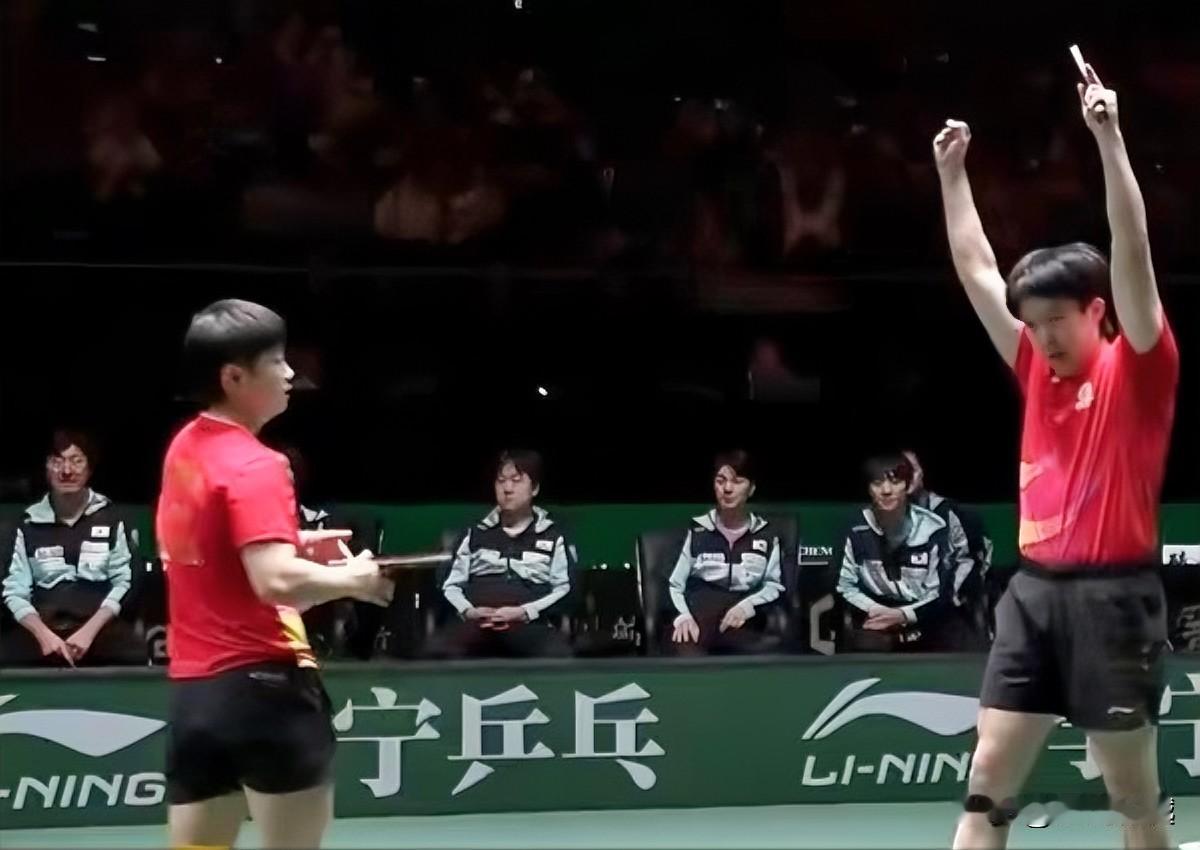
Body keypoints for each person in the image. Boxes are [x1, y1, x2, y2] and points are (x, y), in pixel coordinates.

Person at [934, 63, 1178, 848]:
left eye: (1054, 321)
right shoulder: (1033, 366)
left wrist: (1110, 139)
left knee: (1132, 795)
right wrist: (952, 175)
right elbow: (975, 268)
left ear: (1096, 310)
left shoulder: (1139, 367)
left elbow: (1132, 247)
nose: (1039, 337)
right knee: (987, 781)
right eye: (1030, 322)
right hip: (1033, 594)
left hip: (1115, 600)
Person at [156, 299, 394, 850]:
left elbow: (206, 549)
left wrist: (295, 545)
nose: (291, 374)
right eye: (277, 362)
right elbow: (275, 582)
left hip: (197, 698)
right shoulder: (259, 464)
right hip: (265, 694)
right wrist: (355, 580)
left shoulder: (185, 449)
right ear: (233, 377)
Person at [1, 430, 145, 666]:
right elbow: (14, 590)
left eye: (76, 461)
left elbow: (125, 582)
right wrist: (44, 636)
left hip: (100, 628)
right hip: (42, 630)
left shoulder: (114, 519)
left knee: (134, 653)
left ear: (89, 468)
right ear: (46, 468)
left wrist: (88, 632)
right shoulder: (25, 525)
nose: (66, 470)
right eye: (57, 461)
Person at [433, 449, 574, 658]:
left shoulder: (554, 535)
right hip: (476, 625)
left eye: (516, 481)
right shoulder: (473, 533)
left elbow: (564, 588)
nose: (507, 489)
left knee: (557, 653)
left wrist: (525, 612)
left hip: (530, 625)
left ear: (534, 488)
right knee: (435, 651)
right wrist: (469, 611)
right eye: (501, 481)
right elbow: (450, 585)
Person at [836, 452, 974, 652]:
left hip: (928, 619)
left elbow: (940, 592)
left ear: (907, 486)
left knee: (955, 638)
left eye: (895, 482)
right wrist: (876, 610)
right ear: (868, 489)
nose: (886, 491)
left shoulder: (934, 529)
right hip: (877, 619)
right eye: (877, 483)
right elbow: (845, 585)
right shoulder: (854, 529)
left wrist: (904, 615)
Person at [666, 450, 784, 655]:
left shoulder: (768, 535)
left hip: (742, 622)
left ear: (751, 488)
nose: (727, 489)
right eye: (720, 481)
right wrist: (682, 616)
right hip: (697, 621)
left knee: (760, 654)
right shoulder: (694, 532)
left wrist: (747, 606)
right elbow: (673, 584)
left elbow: (774, 585)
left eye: (737, 481)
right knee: (684, 651)